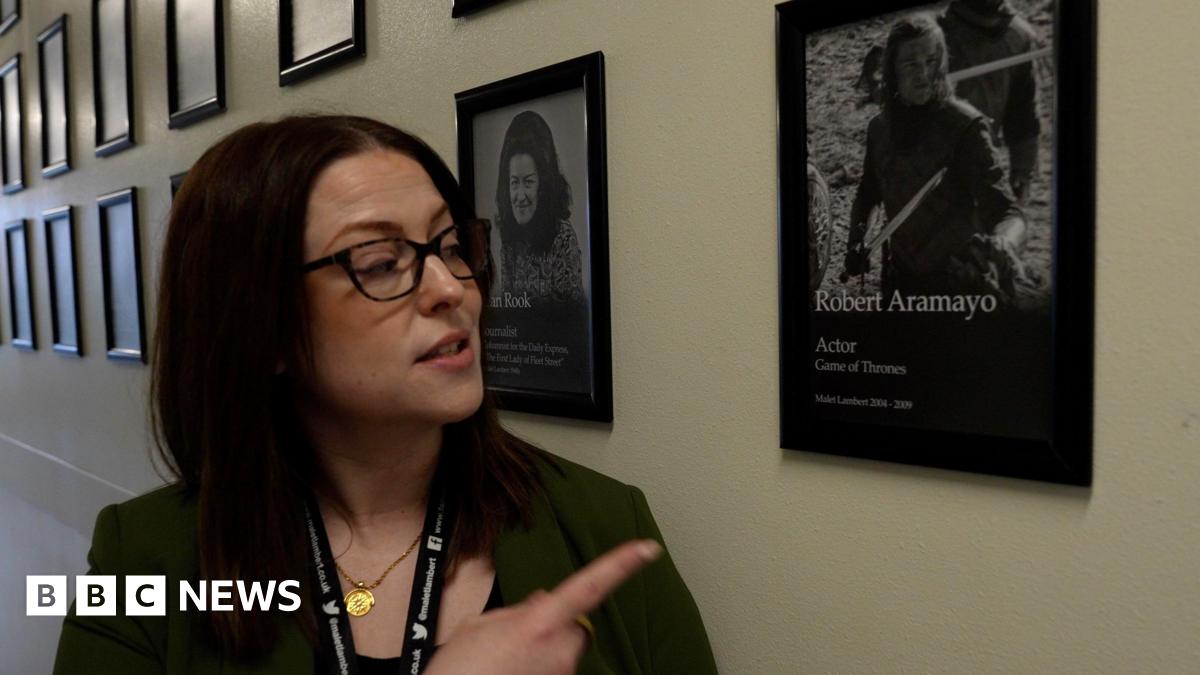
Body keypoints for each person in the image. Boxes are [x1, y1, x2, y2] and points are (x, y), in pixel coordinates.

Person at [53, 115, 717, 674]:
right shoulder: (140, 562)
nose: (450, 288)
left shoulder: (601, 523)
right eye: (379, 263)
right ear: (266, 327)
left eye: (452, 245)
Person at [843, 14, 1028, 301]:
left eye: (931, 61)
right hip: (901, 283)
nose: (924, 74)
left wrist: (1004, 242)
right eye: (911, 64)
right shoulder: (879, 129)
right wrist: (856, 242)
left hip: (960, 286)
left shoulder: (965, 126)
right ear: (892, 69)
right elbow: (868, 194)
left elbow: (1008, 212)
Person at [939, 0, 1042, 204]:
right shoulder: (935, 34)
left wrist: (1022, 168)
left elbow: (1022, 112)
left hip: (982, 160)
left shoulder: (1018, 37)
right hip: (932, 161)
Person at [493, 110, 586, 305]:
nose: (519, 196)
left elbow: (572, 322)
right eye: (514, 182)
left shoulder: (563, 238)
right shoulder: (509, 240)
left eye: (528, 182)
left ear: (543, 185)